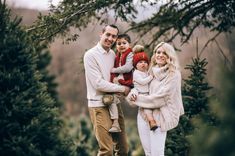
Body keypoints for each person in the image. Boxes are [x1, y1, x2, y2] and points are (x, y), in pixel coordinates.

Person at [127, 42, 184, 156]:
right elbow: (138, 86)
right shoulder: (150, 71)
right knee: (148, 153)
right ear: (154, 54)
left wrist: (137, 99)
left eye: (164, 53)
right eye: (158, 52)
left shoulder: (173, 74)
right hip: (143, 115)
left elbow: (161, 98)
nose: (160, 55)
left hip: (160, 117)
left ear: (169, 56)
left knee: (157, 153)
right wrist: (132, 94)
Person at [83, 24, 130, 156]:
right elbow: (98, 83)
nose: (110, 38)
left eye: (113, 36)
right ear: (101, 34)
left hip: (114, 103)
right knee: (107, 150)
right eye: (107, 35)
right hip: (99, 105)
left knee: (123, 149)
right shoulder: (90, 55)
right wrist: (121, 88)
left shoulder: (113, 54)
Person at [105, 33, 133, 133]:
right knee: (111, 98)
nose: (121, 45)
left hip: (128, 82)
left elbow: (128, 68)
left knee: (132, 100)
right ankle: (115, 123)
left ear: (129, 44)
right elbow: (114, 74)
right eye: (119, 43)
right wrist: (113, 79)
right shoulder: (117, 56)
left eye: (124, 43)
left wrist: (114, 70)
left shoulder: (130, 54)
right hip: (119, 82)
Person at [132, 44, 158, 131]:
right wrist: (151, 77)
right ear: (135, 65)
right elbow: (142, 82)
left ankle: (150, 121)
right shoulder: (136, 73)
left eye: (145, 62)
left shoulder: (146, 72)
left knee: (148, 108)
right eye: (140, 62)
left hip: (148, 94)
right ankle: (152, 122)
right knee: (147, 109)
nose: (143, 64)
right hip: (141, 94)